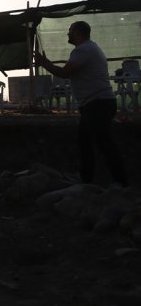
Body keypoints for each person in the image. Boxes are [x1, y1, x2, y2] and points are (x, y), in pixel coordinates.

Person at [34, 21, 128, 188]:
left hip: (98, 103)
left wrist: (44, 63)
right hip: (95, 103)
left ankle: (120, 181)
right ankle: (86, 179)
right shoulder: (90, 48)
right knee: (85, 142)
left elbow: (64, 73)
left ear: (78, 32)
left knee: (104, 143)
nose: (68, 34)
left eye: (70, 31)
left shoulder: (83, 50)